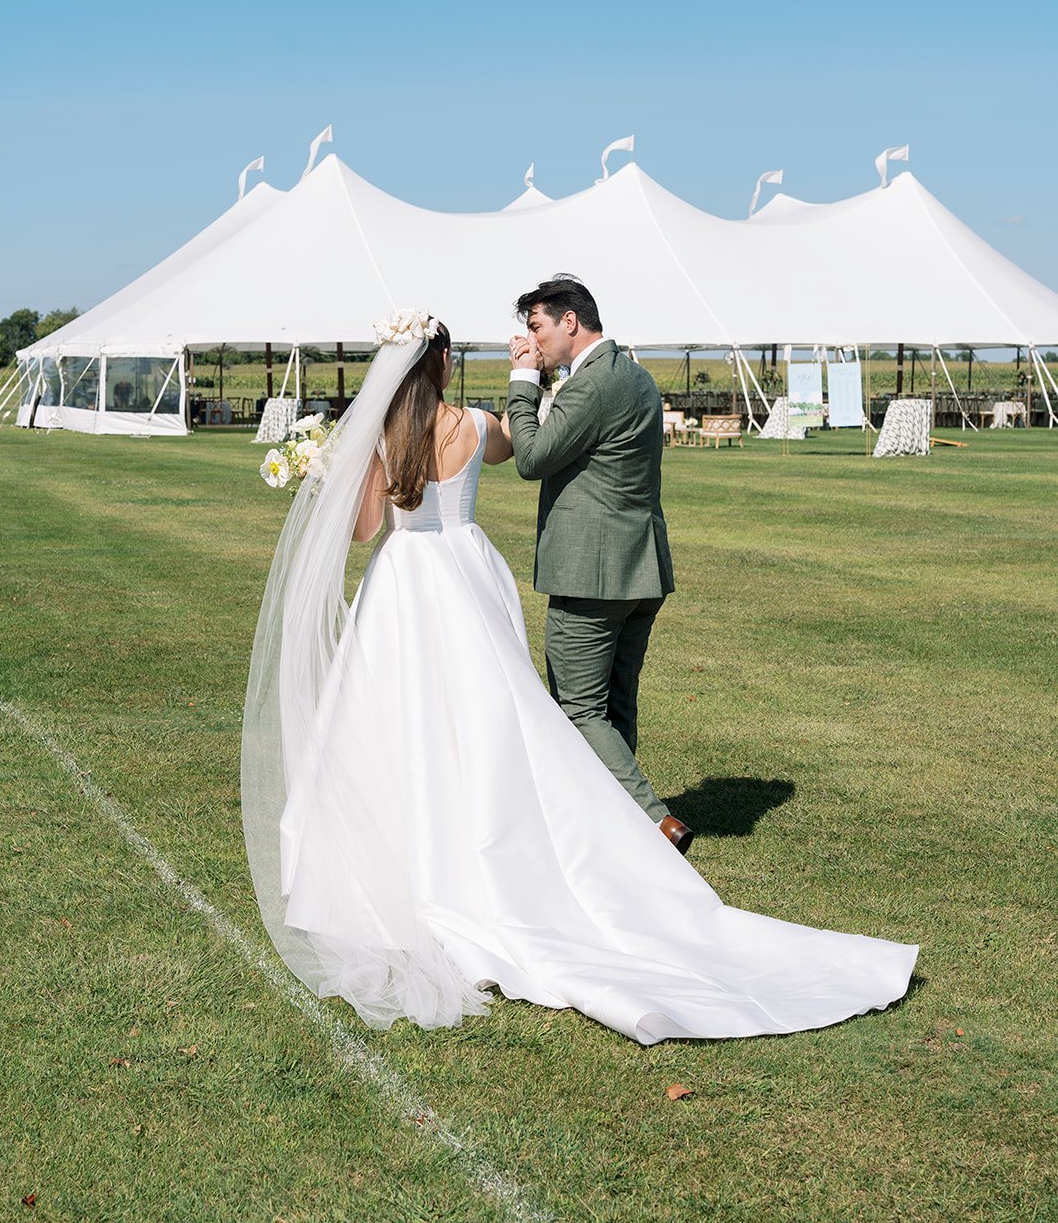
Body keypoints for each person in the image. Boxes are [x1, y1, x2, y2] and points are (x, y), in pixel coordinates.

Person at [242, 307, 917, 1042]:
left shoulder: (379, 437)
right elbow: (514, 448)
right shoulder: (475, 424)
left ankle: (414, 857)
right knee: (490, 717)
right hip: (467, 574)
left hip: (404, 581)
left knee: (391, 720)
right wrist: (523, 371)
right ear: (440, 364)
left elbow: (367, 529)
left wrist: (330, 474)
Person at [505, 275, 691, 851]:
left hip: (592, 571)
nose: (531, 340)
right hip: (640, 566)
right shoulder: (633, 375)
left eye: (535, 326)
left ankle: (656, 822)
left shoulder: (591, 385)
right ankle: (613, 827)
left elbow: (532, 457)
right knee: (616, 700)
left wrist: (521, 381)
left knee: (579, 707)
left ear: (569, 322)